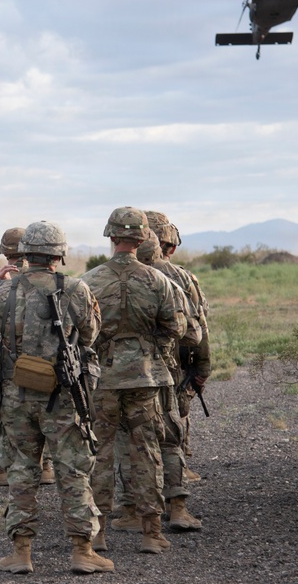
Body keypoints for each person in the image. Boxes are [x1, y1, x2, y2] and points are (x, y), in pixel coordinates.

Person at [0, 221, 113, 575]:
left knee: (22, 471)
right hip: (62, 397)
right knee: (73, 471)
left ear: (26, 253)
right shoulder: (76, 289)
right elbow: (90, 336)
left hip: (16, 396)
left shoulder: (2, 292)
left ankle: (21, 552)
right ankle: (82, 550)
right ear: (59, 254)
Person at [81, 208, 186, 554]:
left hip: (104, 379)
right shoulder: (159, 281)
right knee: (147, 452)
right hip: (146, 376)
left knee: (100, 453)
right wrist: (152, 342)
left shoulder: (90, 281)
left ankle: (97, 533)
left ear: (111, 237)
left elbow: (77, 332)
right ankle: (151, 532)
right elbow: (178, 328)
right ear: (142, 239)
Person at [111, 227, 204, 534]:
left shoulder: (102, 280)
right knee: (169, 437)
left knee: (125, 441)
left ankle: (130, 510)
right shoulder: (170, 283)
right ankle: (176, 508)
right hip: (164, 373)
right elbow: (194, 332)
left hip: (115, 376)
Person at [0, 228, 56, 487]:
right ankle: (47, 466)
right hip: (51, 367)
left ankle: (7, 469)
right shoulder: (55, 281)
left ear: (6, 253)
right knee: (49, 412)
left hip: (11, 367)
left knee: (10, 418)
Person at [145, 212, 213, 484]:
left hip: (125, 367)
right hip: (175, 364)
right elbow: (199, 327)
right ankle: (177, 475)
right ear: (169, 247)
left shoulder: (106, 275)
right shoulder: (181, 277)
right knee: (174, 417)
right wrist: (204, 367)